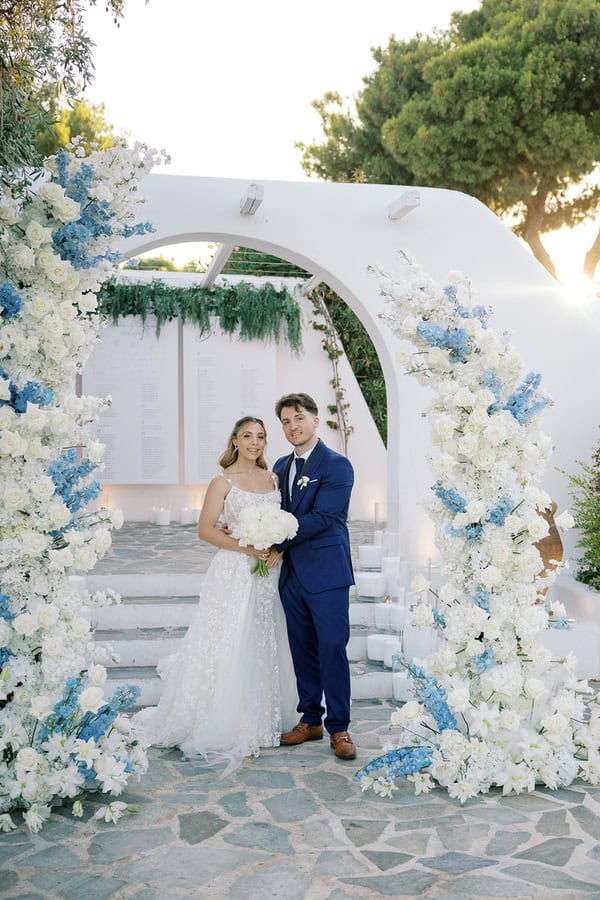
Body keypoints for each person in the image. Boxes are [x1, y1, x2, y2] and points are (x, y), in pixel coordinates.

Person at [134, 416, 298, 774]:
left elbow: (284, 524)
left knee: (265, 638)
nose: (255, 443)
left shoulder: (273, 478)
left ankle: (265, 713)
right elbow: (206, 531)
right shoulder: (222, 482)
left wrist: (278, 549)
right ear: (235, 441)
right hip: (235, 571)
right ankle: (227, 718)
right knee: (231, 639)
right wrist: (246, 546)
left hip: (269, 572)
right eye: (247, 437)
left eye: (261, 437)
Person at [267, 392, 357, 760]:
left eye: (298, 418)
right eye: (286, 421)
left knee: (332, 647)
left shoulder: (337, 465)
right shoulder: (279, 465)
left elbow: (325, 518)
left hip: (327, 572)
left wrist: (275, 535)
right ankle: (311, 719)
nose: (292, 426)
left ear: (315, 420)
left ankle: (340, 727)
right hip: (291, 574)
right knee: (301, 649)